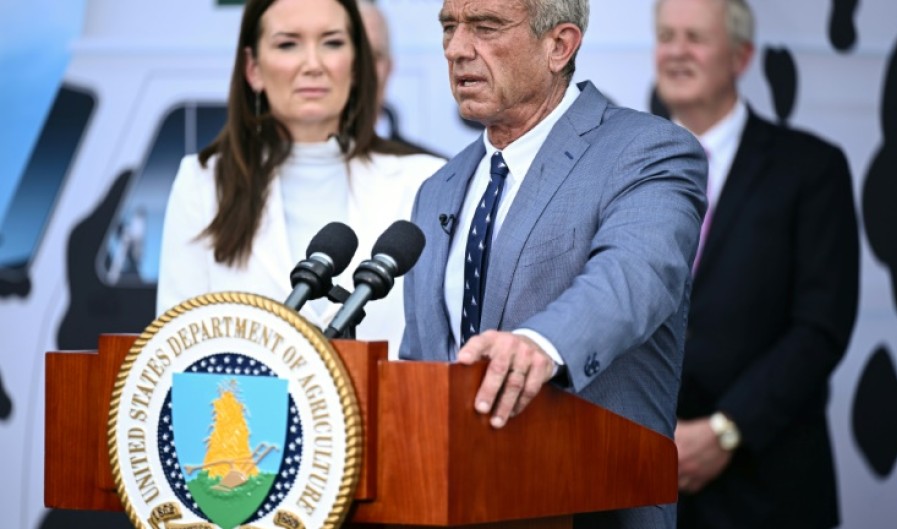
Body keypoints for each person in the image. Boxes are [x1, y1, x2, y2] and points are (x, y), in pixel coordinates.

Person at [399, 0, 707, 527]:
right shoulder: (438, 188)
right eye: (449, 27)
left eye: (485, 27)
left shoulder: (649, 150)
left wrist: (540, 344)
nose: (456, 49)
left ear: (559, 45)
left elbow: (635, 276)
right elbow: (424, 359)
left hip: (593, 511)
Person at [653, 0, 860, 527]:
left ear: (741, 57)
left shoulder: (811, 168)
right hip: (639, 487)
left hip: (766, 487)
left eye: (695, 38)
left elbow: (821, 326)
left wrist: (726, 430)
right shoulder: (619, 167)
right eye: (667, 36)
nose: (676, 52)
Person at [157, 0, 445, 357]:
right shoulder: (202, 182)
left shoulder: (428, 180)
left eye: (332, 43)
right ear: (253, 68)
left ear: (357, 65)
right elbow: (174, 347)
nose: (313, 64)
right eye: (288, 44)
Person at [357, 0, 441, 155]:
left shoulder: (432, 167)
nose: (365, 71)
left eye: (375, 57)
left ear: (389, 67)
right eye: (355, 57)